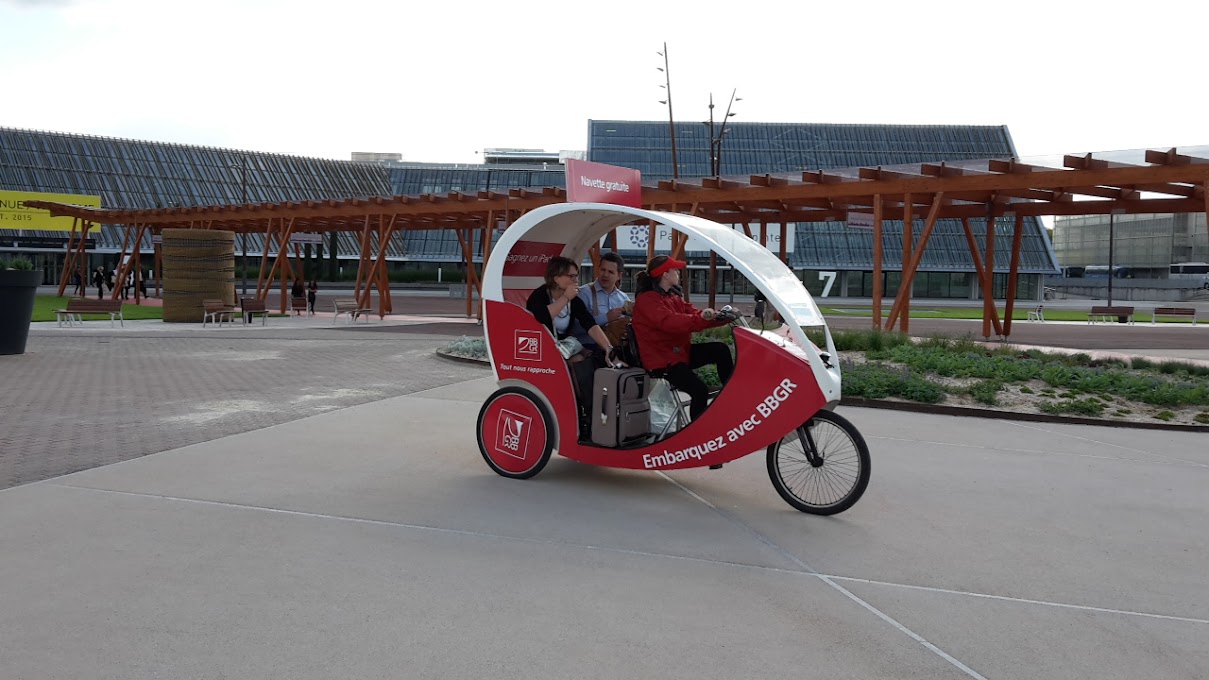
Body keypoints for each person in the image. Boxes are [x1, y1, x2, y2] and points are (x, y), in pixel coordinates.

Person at [630, 255, 734, 421]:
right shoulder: (647, 300)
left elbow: (694, 313)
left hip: (678, 353)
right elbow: (671, 322)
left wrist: (721, 316)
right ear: (665, 274)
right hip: (662, 361)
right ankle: (698, 432)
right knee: (699, 390)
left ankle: (733, 395)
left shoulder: (672, 296)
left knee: (720, 350)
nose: (678, 273)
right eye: (675, 270)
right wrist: (702, 318)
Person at [574, 252, 630, 350]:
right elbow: (575, 328)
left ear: (619, 275)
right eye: (603, 270)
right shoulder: (583, 293)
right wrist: (606, 318)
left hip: (617, 350)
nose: (605, 275)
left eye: (610, 272)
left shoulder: (623, 298)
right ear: (598, 269)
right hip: (589, 350)